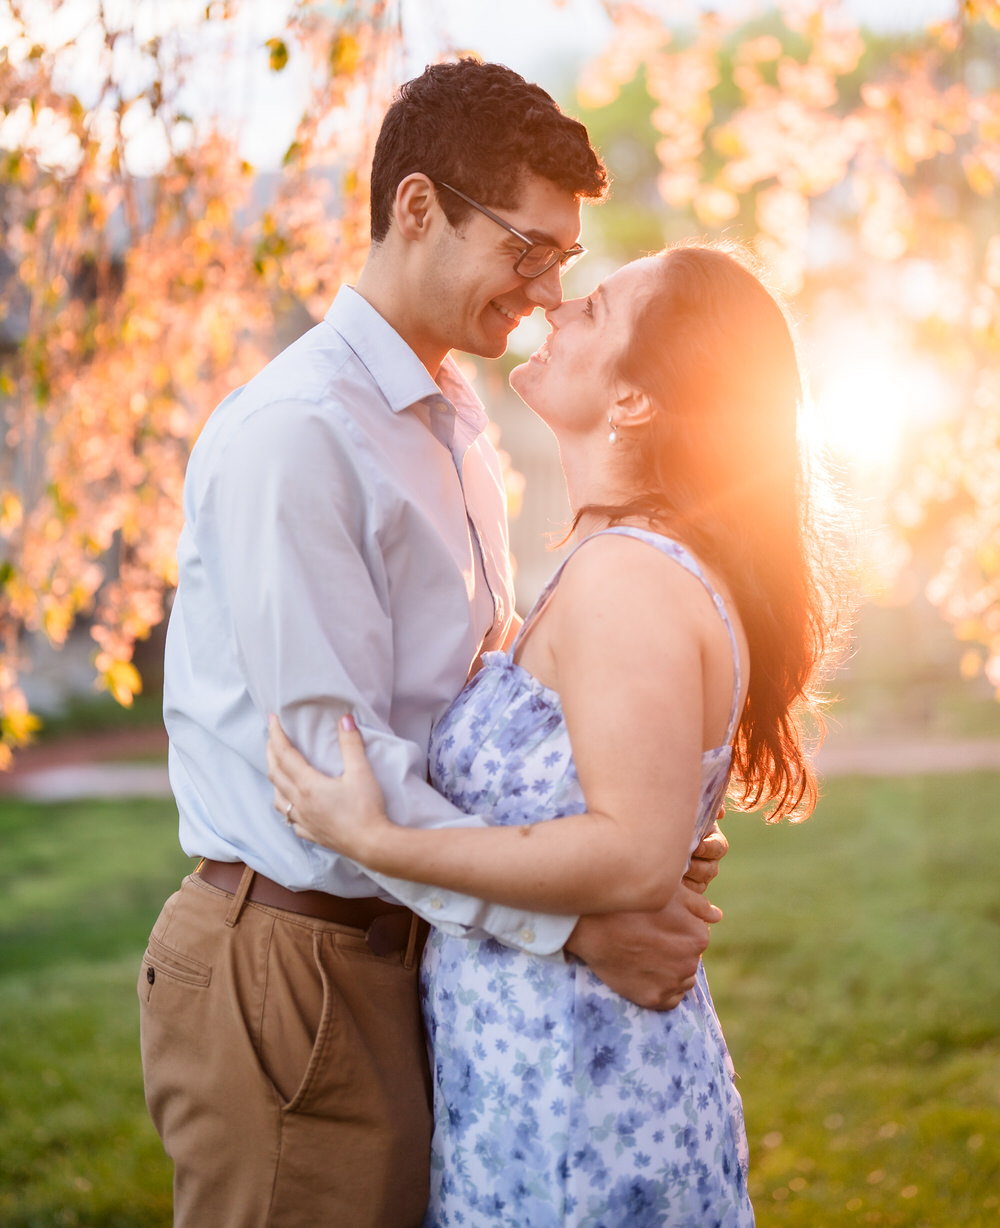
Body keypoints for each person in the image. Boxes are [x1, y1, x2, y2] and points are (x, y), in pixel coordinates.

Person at [138, 58, 730, 1228]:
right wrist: (580, 917)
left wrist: (617, 822)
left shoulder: (451, 424)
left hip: (409, 943)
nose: (549, 291)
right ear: (418, 209)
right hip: (291, 958)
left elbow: (480, 697)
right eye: (528, 248)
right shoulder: (298, 437)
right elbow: (336, 775)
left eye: (562, 260)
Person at [267, 242, 847, 1227]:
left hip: (585, 1111)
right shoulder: (612, 564)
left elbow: (630, 853)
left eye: (597, 309)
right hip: (545, 1084)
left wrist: (374, 837)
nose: (558, 307)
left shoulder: (632, 576)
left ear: (635, 402)